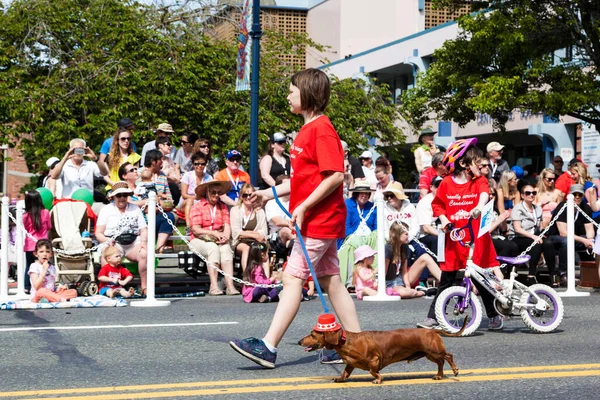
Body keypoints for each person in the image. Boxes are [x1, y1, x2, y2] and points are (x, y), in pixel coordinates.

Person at [230, 68, 361, 369]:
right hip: (319, 220)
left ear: (308, 94)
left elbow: (335, 176)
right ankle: (352, 344)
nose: (288, 95)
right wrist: (267, 193)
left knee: (291, 278)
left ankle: (268, 346)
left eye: (292, 90)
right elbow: (307, 180)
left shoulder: (322, 130)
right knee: (331, 282)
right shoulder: (305, 131)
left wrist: (302, 208)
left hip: (319, 221)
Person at [417, 138, 505, 331]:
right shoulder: (447, 183)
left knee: (480, 279)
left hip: (475, 239)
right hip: (455, 238)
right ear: (464, 164)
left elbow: (484, 194)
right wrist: (444, 220)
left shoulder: (479, 181)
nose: (480, 164)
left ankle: (493, 314)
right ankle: (433, 317)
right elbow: (437, 205)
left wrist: (479, 207)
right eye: (476, 161)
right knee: (446, 279)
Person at [95, 182, 148, 294]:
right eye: (119, 195)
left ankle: (145, 287)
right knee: (107, 254)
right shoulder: (106, 210)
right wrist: (107, 241)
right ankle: (108, 287)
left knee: (144, 253)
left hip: (133, 242)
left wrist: (143, 242)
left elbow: (144, 229)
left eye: (124, 195)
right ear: (113, 197)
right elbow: (98, 233)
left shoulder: (135, 209)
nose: (122, 198)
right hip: (114, 243)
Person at [188, 180, 240, 296]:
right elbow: (196, 230)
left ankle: (230, 286)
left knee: (226, 248)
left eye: (218, 193)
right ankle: (214, 286)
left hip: (218, 239)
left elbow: (227, 225)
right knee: (212, 248)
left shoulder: (223, 207)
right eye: (213, 192)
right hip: (199, 240)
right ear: (207, 192)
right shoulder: (198, 207)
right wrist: (215, 233)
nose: (216, 195)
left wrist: (225, 237)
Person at [511, 184, 558, 287]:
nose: (531, 195)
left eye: (533, 193)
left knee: (548, 243)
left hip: (535, 236)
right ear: (523, 195)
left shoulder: (538, 209)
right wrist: (533, 237)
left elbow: (539, 226)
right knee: (535, 243)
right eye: (528, 193)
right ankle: (531, 275)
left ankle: (552, 274)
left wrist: (542, 233)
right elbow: (517, 229)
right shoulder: (518, 208)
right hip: (520, 237)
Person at [547, 184, 595, 284]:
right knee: (567, 241)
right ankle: (563, 274)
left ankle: (589, 274)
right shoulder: (563, 206)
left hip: (575, 237)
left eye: (580, 195)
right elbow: (563, 232)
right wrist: (584, 240)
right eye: (574, 194)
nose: (577, 197)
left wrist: (590, 240)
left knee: (593, 241)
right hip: (555, 237)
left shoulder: (585, 208)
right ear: (570, 195)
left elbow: (590, 230)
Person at [385, 222, 441, 298]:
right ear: (397, 235)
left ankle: (444, 282)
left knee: (425, 257)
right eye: (406, 234)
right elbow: (383, 272)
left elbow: (404, 272)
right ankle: (424, 292)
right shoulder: (388, 248)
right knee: (405, 293)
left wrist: (408, 287)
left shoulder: (405, 247)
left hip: (401, 280)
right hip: (389, 283)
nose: (408, 236)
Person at [138, 149, 177, 253]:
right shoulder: (139, 174)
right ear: (153, 161)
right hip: (142, 215)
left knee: (170, 216)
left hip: (159, 212)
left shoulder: (162, 176)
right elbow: (137, 196)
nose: (162, 162)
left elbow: (170, 199)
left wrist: (160, 204)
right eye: (160, 160)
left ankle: (158, 248)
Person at [231, 183, 268, 272]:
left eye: (250, 195)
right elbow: (236, 232)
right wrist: (255, 235)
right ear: (240, 197)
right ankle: (246, 277)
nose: (248, 198)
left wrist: (246, 233)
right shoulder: (235, 210)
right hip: (240, 242)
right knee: (246, 249)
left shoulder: (260, 211)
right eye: (245, 195)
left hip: (256, 241)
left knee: (264, 249)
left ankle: (266, 279)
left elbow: (263, 232)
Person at [23, 190, 52, 293]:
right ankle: (47, 285)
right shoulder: (46, 212)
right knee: (46, 265)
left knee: (29, 266)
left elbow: (26, 229)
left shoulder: (26, 215)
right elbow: (49, 226)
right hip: (43, 245)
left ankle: (27, 287)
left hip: (30, 245)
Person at [179, 152, 213, 233]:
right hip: (186, 202)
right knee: (190, 201)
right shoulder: (187, 175)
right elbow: (184, 195)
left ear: (205, 164)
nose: (199, 166)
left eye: (202, 164)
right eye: (196, 164)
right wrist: (195, 198)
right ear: (193, 164)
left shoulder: (209, 177)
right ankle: (188, 227)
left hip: (201, 203)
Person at [264, 175, 296, 255]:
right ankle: (303, 243)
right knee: (285, 230)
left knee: (290, 243)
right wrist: (294, 224)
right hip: (275, 238)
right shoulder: (271, 203)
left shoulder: (294, 202)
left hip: (291, 234)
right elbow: (278, 222)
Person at [340, 181, 377, 248]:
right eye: (361, 193)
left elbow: (376, 228)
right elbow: (346, 228)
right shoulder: (347, 205)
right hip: (349, 240)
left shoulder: (373, 207)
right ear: (356, 194)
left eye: (367, 193)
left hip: (369, 240)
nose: (364, 195)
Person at [415, 176, 443, 254]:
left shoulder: (448, 200)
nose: (440, 188)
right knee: (438, 240)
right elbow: (426, 228)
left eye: (443, 186)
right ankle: (436, 265)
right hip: (424, 235)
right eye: (437, 186)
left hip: (442, 232)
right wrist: (443, 236)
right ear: (431, 187)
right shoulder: (425, 203)